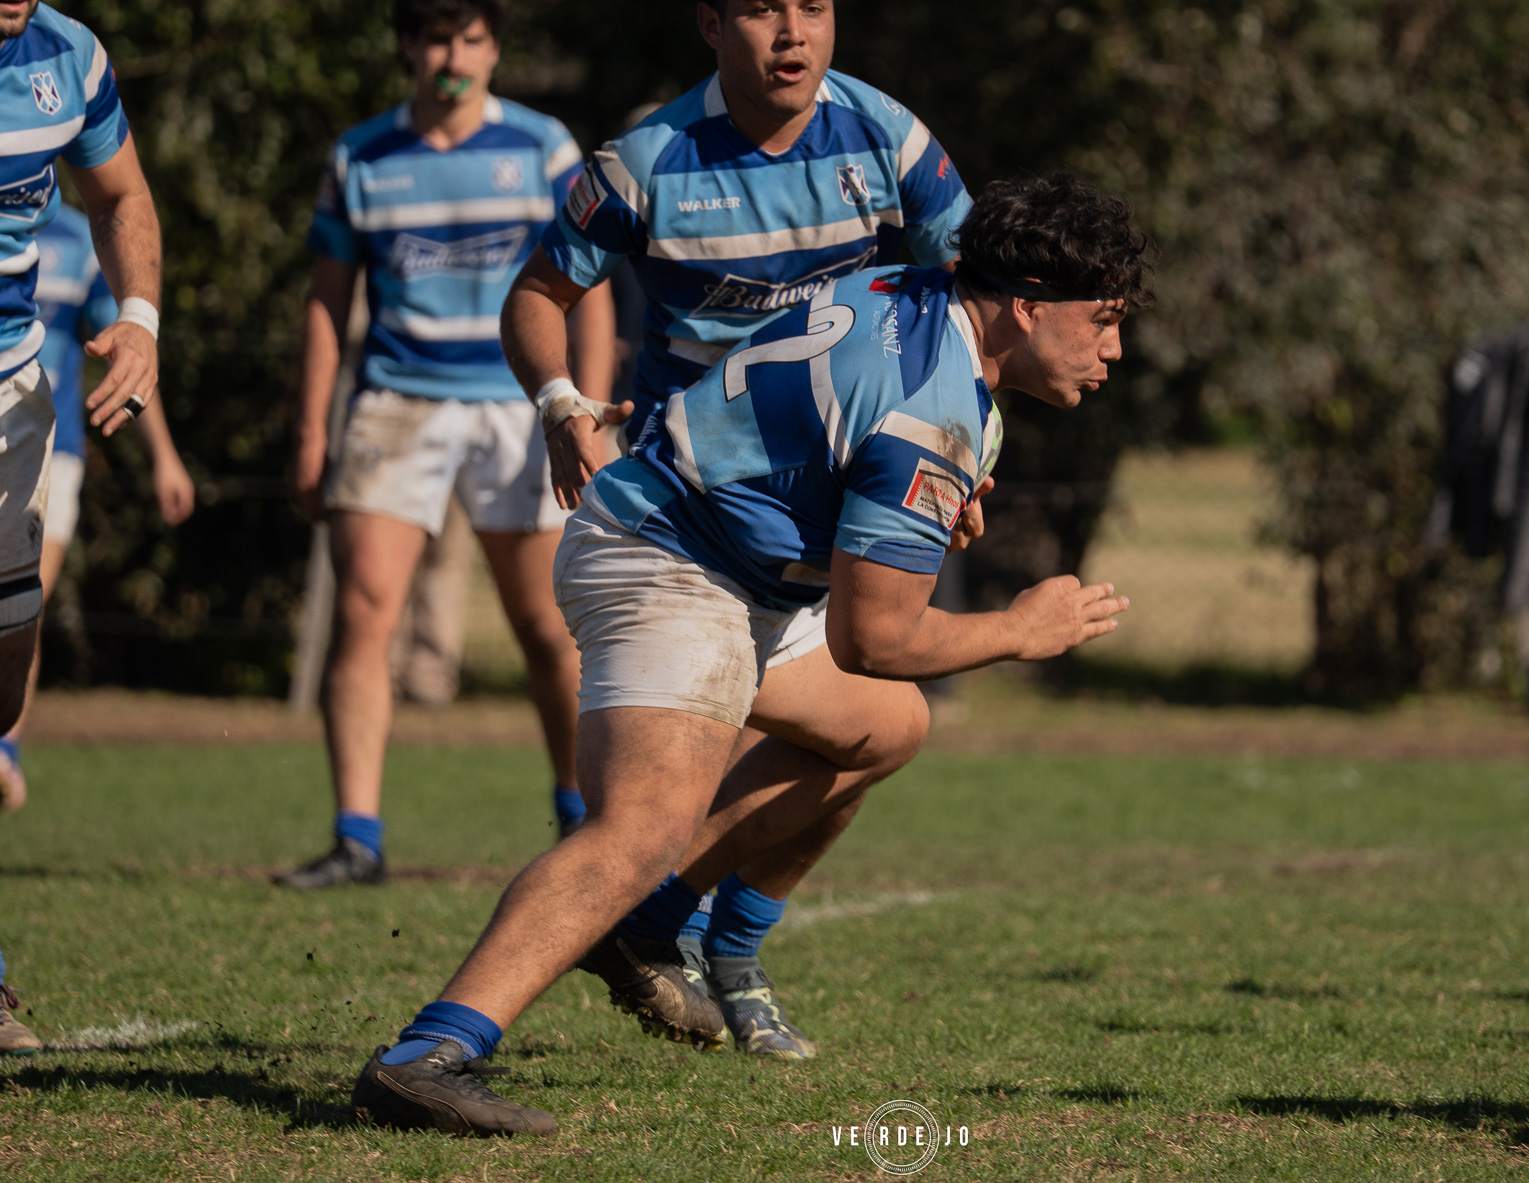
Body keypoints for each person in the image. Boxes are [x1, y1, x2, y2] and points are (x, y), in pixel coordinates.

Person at [349, 173, 1151, 1136]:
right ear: (1025, 307)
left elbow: (839, 437)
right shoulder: (928, 413)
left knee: (886, 727)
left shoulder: (919, 287)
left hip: (737, 567)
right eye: (1101, 321)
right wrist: (1022, 631)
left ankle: (665, 926)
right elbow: (878, 636)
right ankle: (427, 1053)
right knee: (639, 824)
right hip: (669, 558)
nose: (1114, 348)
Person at [519, 0, 975, 1061]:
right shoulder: (646, 162)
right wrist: (558, 401)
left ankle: (726, 944)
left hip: (808, 530)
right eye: (765, 8)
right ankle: (459, 1031)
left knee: (882, 728)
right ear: (709, 23)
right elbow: (541, 290)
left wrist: (960, 455)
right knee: (646, 821)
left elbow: (975, 297)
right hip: (687, 522)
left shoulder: (888, 138)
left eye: (813, 7)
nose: (793, 33)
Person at [277, 0, 616, 889]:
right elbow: (325, 301)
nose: (452, 58)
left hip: (523, 406)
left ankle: (580, 817)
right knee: (364, 615)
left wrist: (579, 401)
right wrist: (312, 427)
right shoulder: (361, 155)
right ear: (406, 48)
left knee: (551, 628)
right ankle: (357, 837)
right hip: (398, 402)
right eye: (435, 39)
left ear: (495, 48)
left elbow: (590, 281)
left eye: (470, 40)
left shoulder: (542, 147)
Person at [0, 0, 165, 1054]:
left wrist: (140, 318)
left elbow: (122, 196)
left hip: (12, 393)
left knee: (3, 676)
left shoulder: (70, 52)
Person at [0, 205, 196, 812]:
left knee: (19, 603)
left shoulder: (84, 241)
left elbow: (127, 355)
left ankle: (5, 752)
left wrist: (163, 455)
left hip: (51, 451)